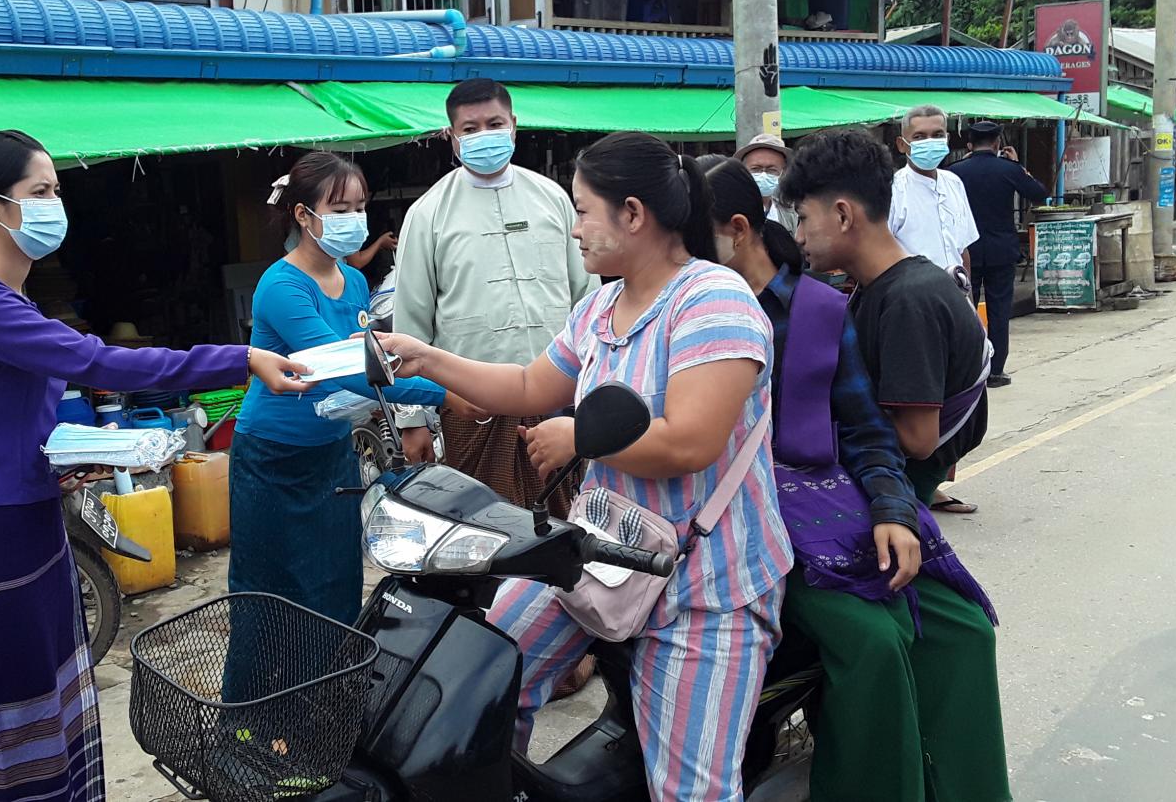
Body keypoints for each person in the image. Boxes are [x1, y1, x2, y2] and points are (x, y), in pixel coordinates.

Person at [379, 132, 792, 801]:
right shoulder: (601, 305)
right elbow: (526, 385)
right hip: (602, 553)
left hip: (705, 583)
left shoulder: (713, 299)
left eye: (581, 211)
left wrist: (579, 437)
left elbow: (691, 443)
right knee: (474, 679)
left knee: (690, 789)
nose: (573, 229)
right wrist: (425, 357)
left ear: (633, 215)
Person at [0, 130, 310, 802]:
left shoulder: (11, 301)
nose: (55, 205)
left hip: (30, 520)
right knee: (17, 725)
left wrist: (68, 456)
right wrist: (239, 358)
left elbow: (12, 421)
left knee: (56, 706)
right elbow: (98, 362)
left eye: (56, 191)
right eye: (39, 192)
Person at [705, 156, 1008, 802]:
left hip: (835, 503)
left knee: (959, 629)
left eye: (804, 217)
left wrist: (888, 508)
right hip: (749, 521)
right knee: (877, 639)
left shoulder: (833, 307)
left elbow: (880, 433)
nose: (801, 232)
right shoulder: (691, 314)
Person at [230, 151, 477, 625]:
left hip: (333, 452)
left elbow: (372, 363)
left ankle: (334, 670)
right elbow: (348, 370)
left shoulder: (356, 280)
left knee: (336, 574)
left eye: (360, 207)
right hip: (272, 457)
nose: (355, 219)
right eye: (340, 209)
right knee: (270, 588)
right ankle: (273, 677)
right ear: (303, 215)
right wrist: (444, 392)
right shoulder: (282, 287)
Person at [393, 78, 598, 517]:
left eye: (494, 124)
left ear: (514, 125)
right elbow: (410, 325)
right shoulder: (427, 213)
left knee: (568, 527)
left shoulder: (553, 199)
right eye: (470, 129)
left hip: (560, 402)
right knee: (482, 529)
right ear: (451, 136)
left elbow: (588, 301)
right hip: (473, 410)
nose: (483, 135)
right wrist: (412, 420)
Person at [784, 129, 992, 515]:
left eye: (803, 218)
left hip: (897, 494)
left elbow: (918, 439)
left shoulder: (908, 301)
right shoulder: (882, 286)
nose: (798, 236)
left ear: (843, 215)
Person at [949, 121, 1050, 389]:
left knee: (965, 310)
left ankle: (968, 370)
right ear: (996, 144)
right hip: (1001, 251)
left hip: (965, 251)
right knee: (999, 312)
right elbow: (1039, 193)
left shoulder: (954, 172)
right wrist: (1018, 166)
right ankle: (995, 372)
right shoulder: (1009, 169)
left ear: (969, 145)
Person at [889, 105, 979, 293]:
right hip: (913, 297)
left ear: (947, 139)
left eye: (937, 135)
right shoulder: (893, 190)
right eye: (919, 137)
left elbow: (962, 250)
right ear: (901, 144)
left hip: (956, 295)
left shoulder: (954, 183)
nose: (929, 142)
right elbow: (880, 255)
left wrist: (967, 300)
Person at [734, 132, 796, 229]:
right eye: (756, 169)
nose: (763, 175)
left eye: (771, 170)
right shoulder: (730, 210)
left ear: (783, 172)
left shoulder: (790, 212)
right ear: (743, 171)